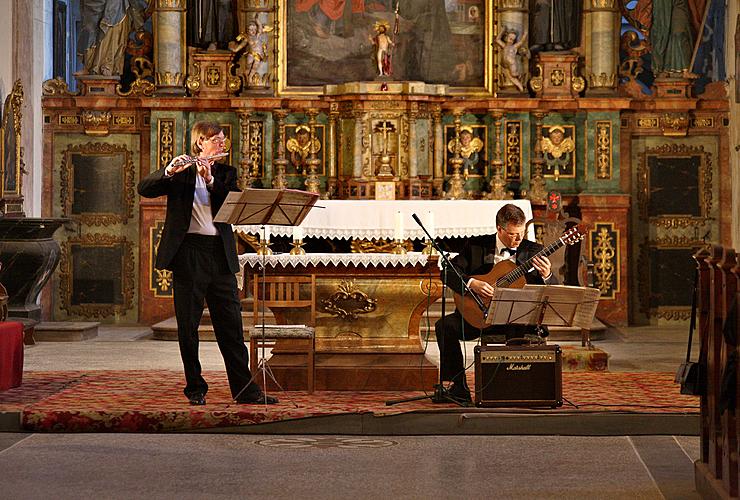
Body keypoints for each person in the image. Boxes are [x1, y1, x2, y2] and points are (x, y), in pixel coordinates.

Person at [137, 121, 277, 406]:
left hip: (219, 254)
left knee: (232, 327)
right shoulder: (180, 171)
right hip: (188, 252)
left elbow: (235, 204)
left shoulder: (226, 173)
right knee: (187, 327)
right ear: (200, 141)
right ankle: (196, 388)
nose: (221, 144)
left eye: (223, 140)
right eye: (215, 140)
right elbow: (145, 188)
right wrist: (168, 171)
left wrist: (212, 181)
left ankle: (245, 390)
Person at [434, 203, 559, 404]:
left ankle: (514, 389)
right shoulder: (476, 246)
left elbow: (553, 290)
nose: (518, 239)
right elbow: (447, 272)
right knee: (444, 326)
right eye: (512, 234)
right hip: (478, 313)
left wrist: (547, 275)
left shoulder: (534, 250)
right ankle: (458, 388)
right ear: (499, 229)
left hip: (517, 318)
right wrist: (472, 283)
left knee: (517, 327)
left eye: (521, 233)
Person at [76, 0, 143, 76]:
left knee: (109, 33)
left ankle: (106, 65)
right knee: (89, 29)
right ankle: (88, 65)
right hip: (93, 6)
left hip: (114, 7)